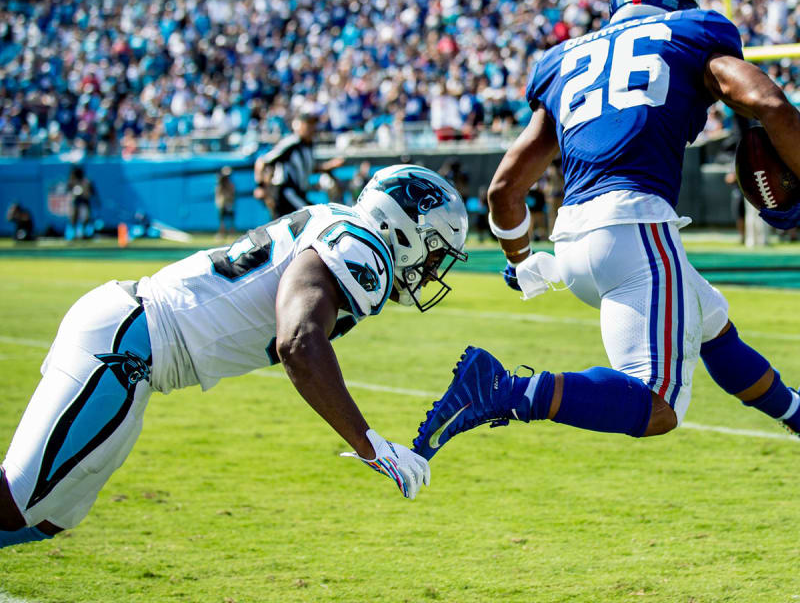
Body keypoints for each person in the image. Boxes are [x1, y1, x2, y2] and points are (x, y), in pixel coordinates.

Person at [413, 0, 800, 466]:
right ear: (678, 4)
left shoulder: (566, 59)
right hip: (636, 231)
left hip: (573, 243)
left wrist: (519, 262)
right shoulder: (694, 31)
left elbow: (503, 191)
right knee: (658, 404)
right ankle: (506, 389)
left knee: (711, 323)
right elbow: (769, 103)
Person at [0, 165, 468, 550]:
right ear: (404, 229)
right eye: (433, 254)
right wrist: (370, 445)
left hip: (134, 345)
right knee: (16, 503)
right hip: (129, 345)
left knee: (49, 518)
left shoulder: (341, 226)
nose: (430, 272)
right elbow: (298, 342)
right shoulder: (361, 248)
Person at [254, 114, 345, 217]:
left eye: (313, 124)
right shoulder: (292, 143)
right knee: (312, 217)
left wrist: (330, 165)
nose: (312, 128)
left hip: (298, 193)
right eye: (308, 124)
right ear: (299, 126)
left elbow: (309, 168)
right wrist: (260, 186)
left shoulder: (308, 145)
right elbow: (262, 161)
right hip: (286, 192)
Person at [66, 167, 96, 241]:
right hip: (76, 203)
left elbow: (91, 192)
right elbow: (68, 189)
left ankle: (85, 233)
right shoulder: (72, 181)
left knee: (86, 218)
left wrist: (84, 194)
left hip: (84, 203)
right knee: (73, 218)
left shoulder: (86, 182)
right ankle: (74, 234)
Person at [214, 166, 236, 241]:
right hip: (222, 203)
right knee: (222, 220)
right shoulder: (220, 183)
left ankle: (231, 234)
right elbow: (218, 193)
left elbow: (232, 194)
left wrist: (231, 203)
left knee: (230, 220)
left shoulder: (230, 184)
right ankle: (222, 234)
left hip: (229, 203)